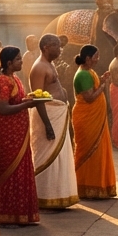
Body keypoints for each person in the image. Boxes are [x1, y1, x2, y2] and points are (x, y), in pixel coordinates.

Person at [0, 47, 40, 226]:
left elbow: (14, 102)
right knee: (8, 169)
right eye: (18, 59)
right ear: (9, 63)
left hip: (18, 131)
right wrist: (27, 106)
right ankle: (4, 213)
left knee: (21, 167)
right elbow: (2, 108)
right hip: (6, 132)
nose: (21, 62)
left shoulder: (15, 78)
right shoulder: (3, 81)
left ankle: (20, 213)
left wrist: (26, 102)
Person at [28, 34, 78, 210]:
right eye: (56, 45)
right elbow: (37, 98)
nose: (60, 49)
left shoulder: (50, 64)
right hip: (48, 117)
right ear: (46, 47)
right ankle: (44, 196)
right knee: (46, 156)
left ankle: (58, 195)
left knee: (60, 156)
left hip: (58, 114)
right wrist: (48, 125)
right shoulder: (39, 67)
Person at [73, 45, 116, 199]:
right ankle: (84, 186)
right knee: (88, 152)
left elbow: (93, 89)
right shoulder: (83, 75)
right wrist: (104, 86)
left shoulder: (89, 72)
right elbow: (90, 97)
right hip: (87, 119)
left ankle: (97, 185)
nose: (98, 60)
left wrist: (101, 80)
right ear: (88, 58)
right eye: (96, 57)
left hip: (96, 119)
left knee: (99, 153)